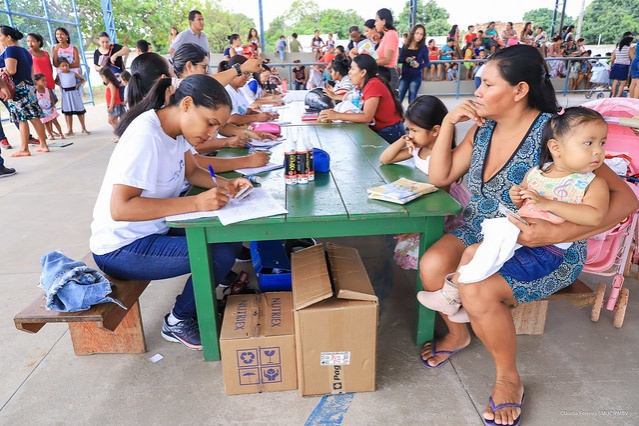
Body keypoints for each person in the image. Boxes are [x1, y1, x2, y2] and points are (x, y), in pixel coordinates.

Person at [418, 45, 636, 426]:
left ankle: (508, 378)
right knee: (432, 265)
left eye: (487, 84)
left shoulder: (556, 133)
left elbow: (627, 199)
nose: (478, 92)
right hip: (482, 229)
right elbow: (440, 176)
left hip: (543, 247)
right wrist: (450, 122)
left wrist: (556, 231)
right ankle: (459, 334)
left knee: (476, 290)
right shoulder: (483, 128)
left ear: (519, 90)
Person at [90, 74, 251, 350]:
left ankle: (210, 282)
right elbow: (120, 208)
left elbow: (192, 172)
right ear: (186, 104)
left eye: (218, 127)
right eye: (210, 123)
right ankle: (178, 320)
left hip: (155, 228)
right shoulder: (146, 136)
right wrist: (196, 203)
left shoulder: (175, 130)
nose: (213, 134)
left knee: (228, 235)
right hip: (121, 247)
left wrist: (228, 185)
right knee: (216, 253)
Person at [418, 107, 610, 319]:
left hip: (545, 251)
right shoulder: (539, 172)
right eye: (589, 143)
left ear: (519, 91)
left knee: (478, 262)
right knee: (472, 253)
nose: (598, 151)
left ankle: (461, 301)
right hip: (518, 236)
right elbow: (524, 205)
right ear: (555, 148)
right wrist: (518, 196)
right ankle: (458, 300)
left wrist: (548, 204)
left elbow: (595, 216)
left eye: (602, 143)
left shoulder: (590, 181)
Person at [380, 95, 470, 270]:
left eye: (414, 130)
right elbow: (385, 159)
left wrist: (421, 225)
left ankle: (438, 273)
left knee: (427, 247)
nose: (410, 135)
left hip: (442, 205)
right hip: (427, 199)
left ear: (435, 131)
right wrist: (403, 140)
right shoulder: (419, 148)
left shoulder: (443, 157)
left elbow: (443, 201)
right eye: (408, 130)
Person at [318, 54, 404, 143]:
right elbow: (354, 101)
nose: (349, 72)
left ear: (363, 72)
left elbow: (367, 117)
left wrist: (336, 115)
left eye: (352, 69)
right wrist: (335, 110)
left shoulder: (373, 84)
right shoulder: (364, 85)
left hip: (389, 131)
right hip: (382, 130)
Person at [0, 26, 49, 157]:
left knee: (22, 119)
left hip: (17, 88)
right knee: (34, 116)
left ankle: (24, 148)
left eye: (0, 36)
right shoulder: (25, 51)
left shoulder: (10, 50)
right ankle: (43, 145)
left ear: (8, 37)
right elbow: (31, 72)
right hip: (28, 86)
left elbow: (11, 70)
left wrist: (3, 70)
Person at [55, 57, 90, 136]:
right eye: (62, 66)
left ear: (68, 65)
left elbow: (82, 79)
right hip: (66, 94)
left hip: (74, 93)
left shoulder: (73, 73)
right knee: (68, 113)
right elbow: (55, 81)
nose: (65, 67)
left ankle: (83, 128)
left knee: (79, 111)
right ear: (59, 67)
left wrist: (77, 84)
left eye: (66, 65)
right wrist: (60, 85)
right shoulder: (59, 75)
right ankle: (70, 130)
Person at [397, 24, 429, 104]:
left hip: (416, 76)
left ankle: (411, 112)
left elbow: (427, 62)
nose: (419, 36)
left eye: (421, 34)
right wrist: (406, 59)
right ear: (413, 33)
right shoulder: (405, 45)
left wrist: (419, 65)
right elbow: (400, 59)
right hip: (404, 75)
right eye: (417, 33)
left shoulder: (424, 47)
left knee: (412, 100)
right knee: (398, 98)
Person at [374, 8, 400, 93]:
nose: (375, 24)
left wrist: (370, 62)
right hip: (383, 72)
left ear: (383, 21)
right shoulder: (386, 36)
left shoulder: (391, 35)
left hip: (389, 74)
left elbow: (387, 59)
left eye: (377, 21)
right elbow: (378, 56)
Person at [33, 74, 65, 140]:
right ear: (36, 81)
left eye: (45, 80)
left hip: (50, 109)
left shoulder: (47, 89)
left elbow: (51, 98)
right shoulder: (34, 91)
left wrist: (53, 107)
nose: (45, 82)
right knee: (46, 123)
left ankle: (61, 133)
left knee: (55, 122)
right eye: (43, 80)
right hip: (42, 111)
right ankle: (51, 135)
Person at [99, 67, 125, 139]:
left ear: (107, 76)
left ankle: (121, 135)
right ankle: (120, 136)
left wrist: (111, 106)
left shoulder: (111, 84)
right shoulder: (109, 84)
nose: (102, 79)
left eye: (103, 77)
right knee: (114, 121)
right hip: (113, 105)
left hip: (115, 105)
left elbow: (113, 96)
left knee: (111, 120)